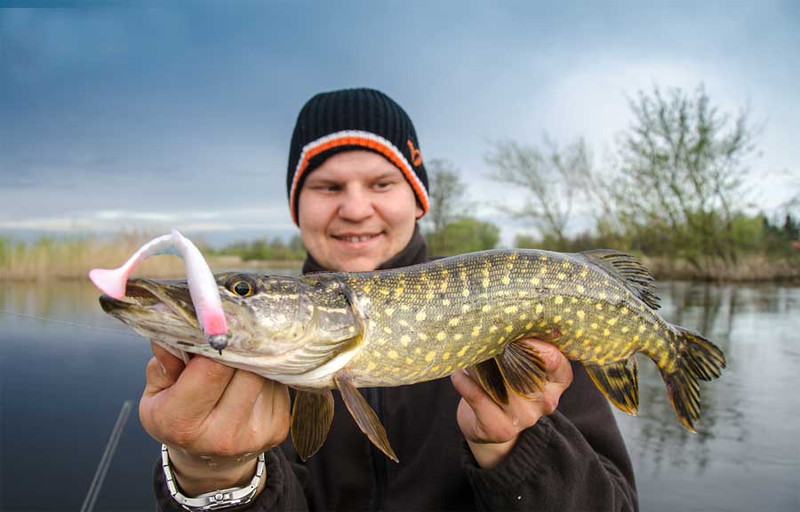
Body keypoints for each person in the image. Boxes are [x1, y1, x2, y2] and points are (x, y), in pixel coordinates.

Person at [142, 88, 638, 511]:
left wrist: (516, 447)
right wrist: (215, 479)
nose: (356, 208)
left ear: (418, 199)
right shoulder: (262, 359)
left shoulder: (532, 320)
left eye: (382, 183)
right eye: (328, 186)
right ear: (297, 207)